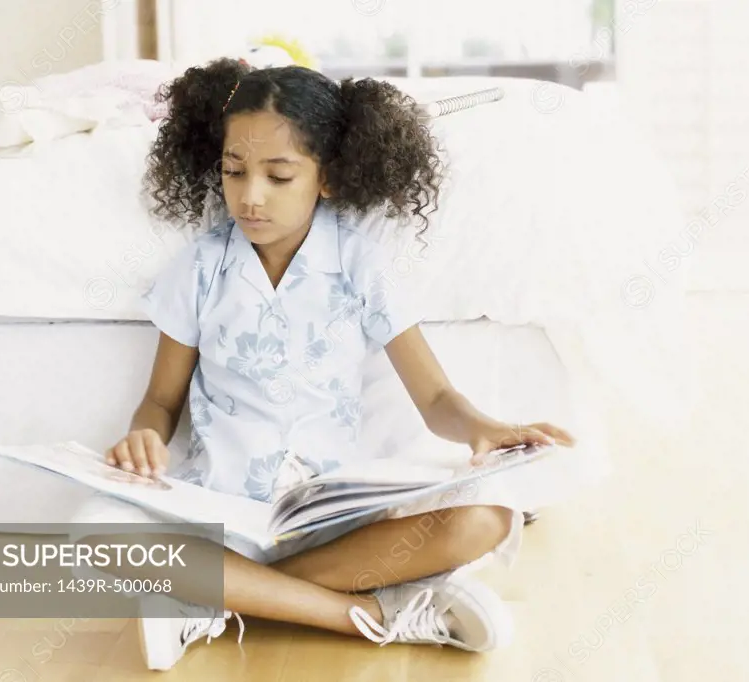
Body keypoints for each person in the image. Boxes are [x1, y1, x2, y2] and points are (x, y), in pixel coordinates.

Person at [69, 57, 576, 671]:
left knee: (487, 517)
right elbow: (161, 402)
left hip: (334, 521)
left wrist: (484, 428)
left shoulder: (361, 265)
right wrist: (143, 436)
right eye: (234, 172)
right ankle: (368, 615)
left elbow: (437, 399)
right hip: (223, 514)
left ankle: (218, 597)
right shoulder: (200, 270)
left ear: (328, 178)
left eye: (278, 176)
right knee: (96, 529)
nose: (250, 197)